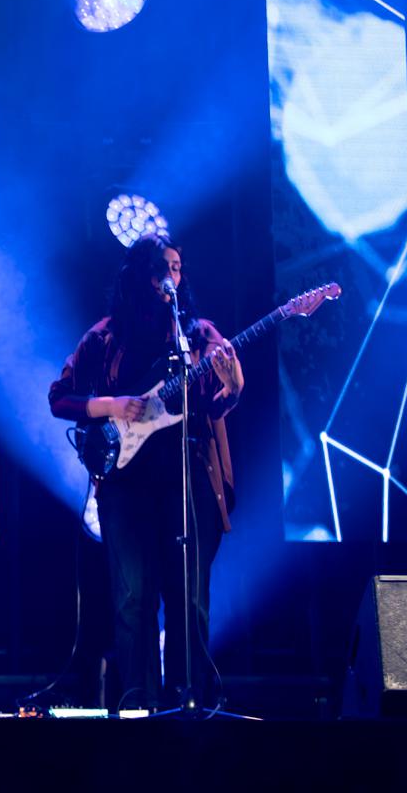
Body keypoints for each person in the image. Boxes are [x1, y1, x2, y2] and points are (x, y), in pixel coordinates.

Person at [49, 234, 243, 710]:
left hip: (188, 479)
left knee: (189, 598)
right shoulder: (103, 338)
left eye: (176, 268)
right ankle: (140, 705)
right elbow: (60, 398)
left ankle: (188, 704)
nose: (171, 276)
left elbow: (216, 405)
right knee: (133, 599)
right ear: (139, 274)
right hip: (126, 485)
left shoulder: (197, 337)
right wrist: (113, 405)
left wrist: (233, 388)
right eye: (161, 267)